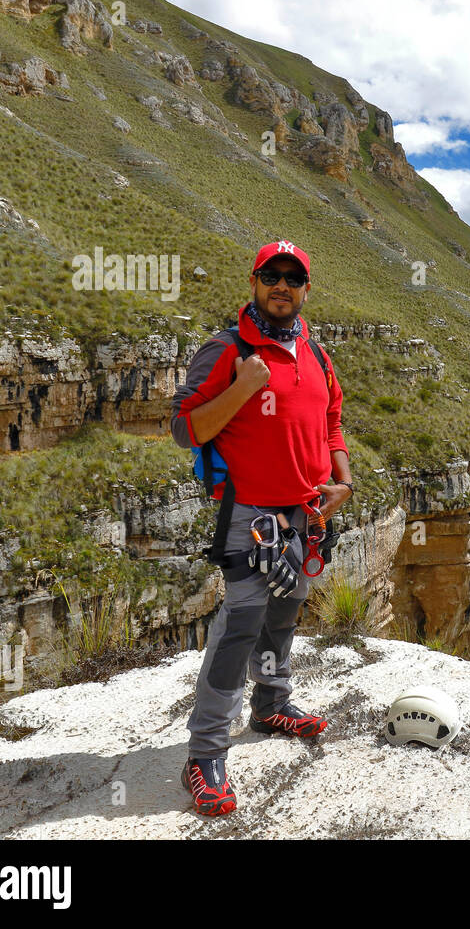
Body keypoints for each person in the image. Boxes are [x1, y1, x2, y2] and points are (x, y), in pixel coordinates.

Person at [169, 240, 355, 816]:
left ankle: (271, 704)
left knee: (284, 612)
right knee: (240, 624)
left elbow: (331, 423)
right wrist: (244, 388)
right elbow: (184, 428)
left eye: (292, 278)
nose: (281, 285)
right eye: (271, 276)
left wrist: (342, 481)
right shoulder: (227, 351)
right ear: (254, 282)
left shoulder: (317, 355)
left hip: (304, 513)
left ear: (305, 289)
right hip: (249, 515)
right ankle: (204, 756)